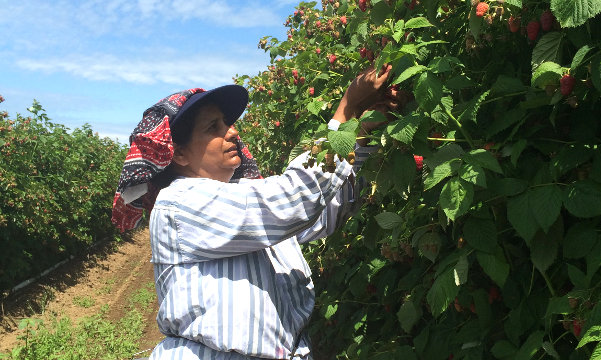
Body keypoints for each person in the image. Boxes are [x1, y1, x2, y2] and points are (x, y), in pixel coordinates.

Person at [112, 65, 398, 359]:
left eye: (227, 122)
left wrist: (360, 135)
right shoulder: (179, 203)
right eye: (213, 127)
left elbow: (326, 211)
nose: (233, 131)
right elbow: (294, 198)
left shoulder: (242, 205)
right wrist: (345, 110)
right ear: (179, 153)